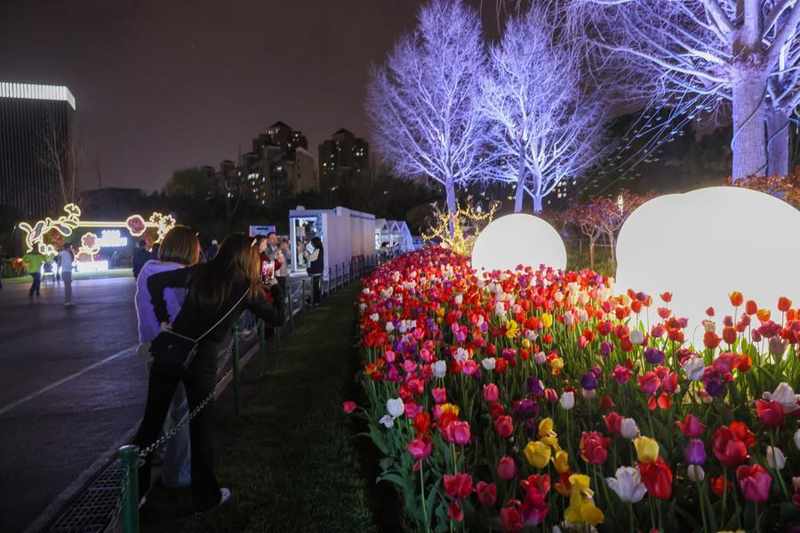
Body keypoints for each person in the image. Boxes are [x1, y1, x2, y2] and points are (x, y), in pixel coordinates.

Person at [135, 234, 281, 511]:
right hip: (201, 359)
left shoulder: (201, 272)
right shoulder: (246, 288)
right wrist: (276, 284)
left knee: (151, 424)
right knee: (200, 427)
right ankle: (205, 495)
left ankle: (135, 491)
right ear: (247, 257)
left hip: (170, 349)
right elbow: (277, 317)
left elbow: (156, 282)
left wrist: (164, 317)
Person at [134, 225, 201, 489]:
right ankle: (179, 473)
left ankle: (145, 474)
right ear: (189, 249)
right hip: (178, 350)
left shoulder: (147, 271)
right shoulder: (182, 277)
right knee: (182, 411)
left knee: (158, 413)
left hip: (150, 347)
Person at [304, 236, 324, 306]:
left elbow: (311, 258)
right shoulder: (320, 249)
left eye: (312, 243)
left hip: (316, 271)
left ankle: (315, 301)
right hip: (317, 270)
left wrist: (306, 255)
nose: (312, 244)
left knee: (315, 287)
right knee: (315, 287)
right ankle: (314, 300)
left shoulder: (318, 250)